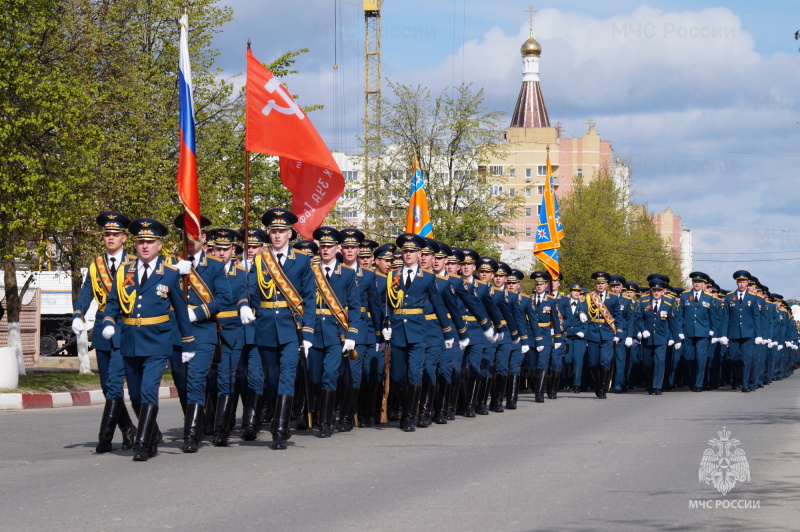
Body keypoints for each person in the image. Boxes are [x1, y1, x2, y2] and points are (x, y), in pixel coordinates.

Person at [103, 218, 195, 461]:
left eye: (150, 242)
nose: (145, 246)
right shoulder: (125, 271)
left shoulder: (169, 273)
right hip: (130, 340)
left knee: (148, 391)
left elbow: (181, 308)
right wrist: (110, 322)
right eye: (141, 242)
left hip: (157, 341)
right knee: (134, 395)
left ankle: (142, 444)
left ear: (159, 245)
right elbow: (113, 301)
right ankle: (153, 435)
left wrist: (188, 341)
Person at [245, 209, 316, 449]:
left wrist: (307, 333)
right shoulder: (260, 259)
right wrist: (245, 305)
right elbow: (251, 289)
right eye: (273, 231)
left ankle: (280, 430)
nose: (276, 236)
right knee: (272, 380)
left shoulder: (302, 260)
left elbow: (309, 298)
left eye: (281, 232)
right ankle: (279, 420)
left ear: (290, 234)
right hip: (265, 325)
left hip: (290, 328)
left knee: (287, 376)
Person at [72, 211, 135, 452]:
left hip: (124, 326)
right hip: (101, 327)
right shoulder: (96, 264)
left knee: (114, 382)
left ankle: (105, 437)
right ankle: (129, 430)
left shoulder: (133, 264)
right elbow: (87, 292)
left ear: (124, 238)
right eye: (107, 234)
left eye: (115, 235)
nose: (110, 238)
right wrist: (77, 313)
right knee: (108, 386)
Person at [385, 233, 453, 431]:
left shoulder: (428, 277)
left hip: (417, 330)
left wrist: (447, 331)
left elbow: (438, 304)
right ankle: (410, 406)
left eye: (412, 251)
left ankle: (408, 416)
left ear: (418, 254)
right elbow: (387, 304)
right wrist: (385, 325)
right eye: (405, 251)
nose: (408, 254)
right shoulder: (393, 275)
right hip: (397, 330)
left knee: (415, 373)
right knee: (397, 378)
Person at [307, 227, 362, 438]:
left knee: (329, 375)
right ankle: (322, 413)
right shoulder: (310, 270)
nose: (325, 249)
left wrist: (352, 335)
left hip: (335, 333)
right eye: (322, 246)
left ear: (337, 248)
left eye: (329, 246)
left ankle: (326, 421)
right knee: (313, 379)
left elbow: (355, 307)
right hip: (313, 332)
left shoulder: (347, 274)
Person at [206, 228, 248, 446]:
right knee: (208, 381)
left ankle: (221, 428)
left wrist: (243, 307)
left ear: (233, 250)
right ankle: (209, 420)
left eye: (225, 249)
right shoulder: (203, 271)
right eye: (217, 248)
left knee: (226, 379)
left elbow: (243, 295)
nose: (221, 253)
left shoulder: (242, 274)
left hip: (231, 331)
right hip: (207, 328)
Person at [719, 270, 763, 392]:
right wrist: (723, 335)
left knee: (746, 358)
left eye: (743, 282)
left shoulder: (753, 299)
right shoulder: (729, 297)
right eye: (739, 282)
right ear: (736, 283)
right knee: (733, 358)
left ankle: (745, 384)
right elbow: (725, 317)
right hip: (733, 333)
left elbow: (756, 317)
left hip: (748, 333)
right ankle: (737, 377)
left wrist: (758, 335)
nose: (741, 284)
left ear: (747, 283)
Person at [637, 277, 680, 395]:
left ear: (663, 291)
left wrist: (676, 339)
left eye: (659, 290)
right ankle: (650, 383)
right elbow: (639, 319)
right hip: (647, 338)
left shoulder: (668, 303)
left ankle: (657, 386)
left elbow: (672, 322)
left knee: (660, 361)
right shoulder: (644, 302)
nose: (656, 292)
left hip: (661, 338)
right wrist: (643, 330)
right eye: (654, 290)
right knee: (646, 363)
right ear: (651, 291)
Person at [584, 271, 624, 399]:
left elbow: (618, 317)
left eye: (602, 283)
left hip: (607, 332)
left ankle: (603, 388)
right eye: (598, 283)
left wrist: (618, 333)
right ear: (595, 284)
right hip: (593, 331)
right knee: (593, 363)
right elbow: (581, 308)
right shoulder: (589, 296)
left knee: (605, 361)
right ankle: (597, 385)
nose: (600, 285)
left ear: (607, 284)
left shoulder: (613, 298)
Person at [527, 271, 561, 403]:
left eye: (541, 284)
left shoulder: (551, 300)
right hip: (530, 335)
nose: (539, 286)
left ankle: (539, 392)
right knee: (531, 366)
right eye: (537, 284)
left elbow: (556, 321)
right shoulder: (528, 299)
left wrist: (557, 338)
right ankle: (537, 386)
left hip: (545, 335)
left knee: (542, 364)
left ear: (546, 285)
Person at [558, 283, 588, 393]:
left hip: (579, 336)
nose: (576, 293)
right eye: (574, 291)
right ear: (570, 292)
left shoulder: (583, 305)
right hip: (568, 335)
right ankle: (567, 381)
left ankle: (576, 384)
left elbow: (587, 321)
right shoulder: (564, 304)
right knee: (567, 359)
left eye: (578, 291)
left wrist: (584, 332)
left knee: (578, 360)